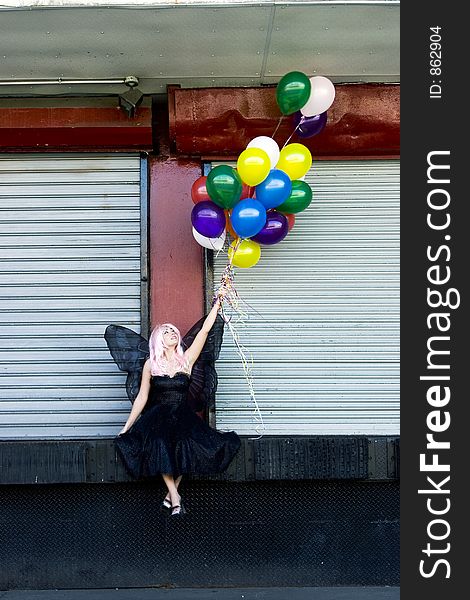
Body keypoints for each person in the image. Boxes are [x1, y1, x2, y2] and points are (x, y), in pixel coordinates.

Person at [111, 290, 241, 517]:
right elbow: (142, 397)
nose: (172, 332)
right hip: (157, 416)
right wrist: (126, 428)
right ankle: (175, 497)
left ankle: (170, 497)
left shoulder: (186, 360)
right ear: (158, 339)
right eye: (167, 330)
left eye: (174, 330)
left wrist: (218, 303)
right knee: (160, 442)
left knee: (187, 446)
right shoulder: (150, 365)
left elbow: (205, 331)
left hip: (182, 414)